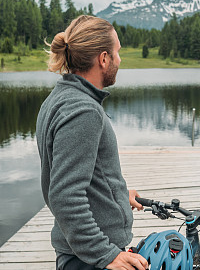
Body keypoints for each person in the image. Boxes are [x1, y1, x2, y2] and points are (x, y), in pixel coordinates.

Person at [36, 15, 148, 270]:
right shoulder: (83, 111)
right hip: (88, 259)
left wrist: (115, 195)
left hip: (79, 253)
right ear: (103, 58)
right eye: (117, 52)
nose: (120, 60)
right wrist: (106, 255)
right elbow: (65, 195)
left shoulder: (59, 98)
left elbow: (73, 174)